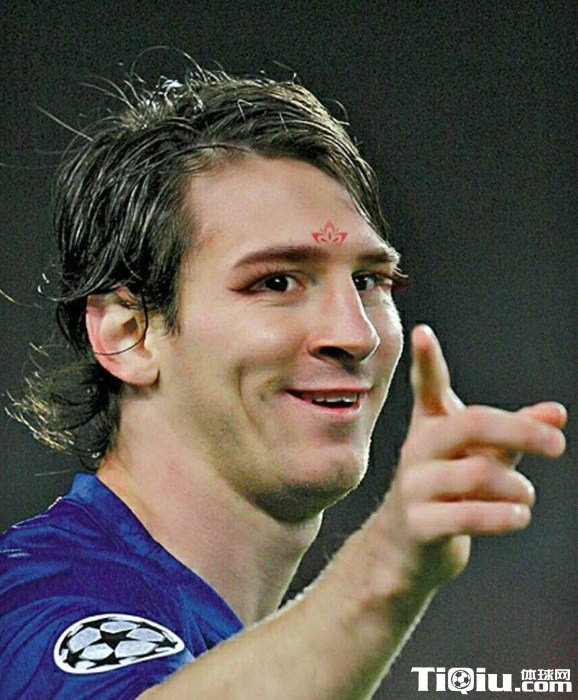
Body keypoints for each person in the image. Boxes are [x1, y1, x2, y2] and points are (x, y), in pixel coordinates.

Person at [0, 62, 567, 699]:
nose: (356, 334)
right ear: (127, 334)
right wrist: (385, 570)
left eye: (368, 280)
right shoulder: (32, 600)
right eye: (276, 282)